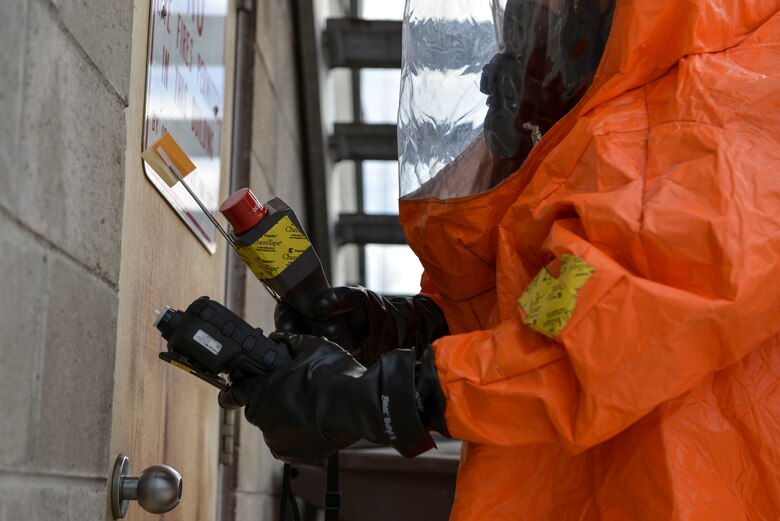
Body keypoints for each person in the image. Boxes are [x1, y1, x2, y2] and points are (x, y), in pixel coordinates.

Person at [225, 0, 780, 518]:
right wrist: (409, 330)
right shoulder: (645, 95)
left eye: (525, 35)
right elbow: (562, 301)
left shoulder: (734, 96)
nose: (494, 75)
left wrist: (380, 398)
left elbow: (612, 329)